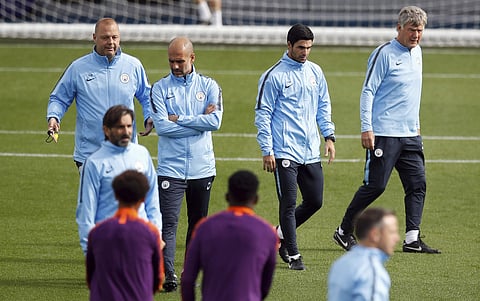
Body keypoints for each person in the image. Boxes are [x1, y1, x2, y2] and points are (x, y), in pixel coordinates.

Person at [332, 6, 441, 254]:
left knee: (418, 184)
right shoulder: (384, 54)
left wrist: (416, 122)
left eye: (420, 30)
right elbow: (368, 90)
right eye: (412, 29)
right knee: (376, 186)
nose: (416, 35)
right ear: (399, 27)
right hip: (384, 132)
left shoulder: (418, 52)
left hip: (411, 134)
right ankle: (343, 231)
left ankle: (412, 239)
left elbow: (409, 93)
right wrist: (366, 128)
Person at [254, 23, 336, 270]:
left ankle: (278, 236)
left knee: (315, 201)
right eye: (301, 47)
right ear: (289, 45)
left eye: (309, 47)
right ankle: (293, 254)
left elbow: (324, 105)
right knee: (288, 203)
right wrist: (267, 150)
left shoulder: (315, 72)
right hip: (284, 150)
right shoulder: (273, 76)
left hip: (310, 150)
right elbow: (263, 114)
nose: (305, 52)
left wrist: (329, 136)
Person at [150, 36, 223, 291]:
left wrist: (178, 118)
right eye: (171, 61)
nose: (175, 66)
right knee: (168, 224)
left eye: (179, 61)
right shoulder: (159, 89)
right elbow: (162, 127)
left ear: (192, 58)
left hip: (202, 169)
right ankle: (168, 274)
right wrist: (196, 123)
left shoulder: (210, 86)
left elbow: (215, 122)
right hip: (170, 168)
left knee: (197, 223)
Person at [46, 17, 153, 169]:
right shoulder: (78, 68)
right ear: (94, 38)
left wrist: (149, 116)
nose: (110, 42)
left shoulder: (133, 66)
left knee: (124, 193)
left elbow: (146, 95)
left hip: (126, 151)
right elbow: (59, 98)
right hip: (90, 153)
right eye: (105, 38)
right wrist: (54, 116)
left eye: (114, 37)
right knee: (93, 194)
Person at [76, 105, 162, 255]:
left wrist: (156, 234)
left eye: (129, 126)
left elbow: (152, 199)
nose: (126, 132)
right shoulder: (94, 162)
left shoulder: (141, 154)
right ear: (106, 130)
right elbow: (86, 210)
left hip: (140, 240)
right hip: (108, 242)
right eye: (120, 127)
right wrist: (89, 250)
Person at [181, 170, 278, 301]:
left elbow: (187, 279)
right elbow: (265, 283)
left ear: (227, 197)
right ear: (256, 199)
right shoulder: (267, 232)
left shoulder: (205, 228)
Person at [86, 170, 164, 301]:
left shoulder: (97, 232)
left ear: (115, 195)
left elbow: (91, 274)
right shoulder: (150, 232)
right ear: (143, 199)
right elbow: (158, 276)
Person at [328, 208, 400, 301]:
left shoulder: (341, 263)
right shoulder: (372, 272)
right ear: (375, 234)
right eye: (392, 232)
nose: (397, 238)